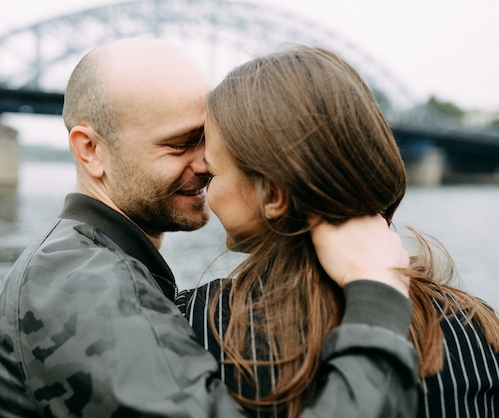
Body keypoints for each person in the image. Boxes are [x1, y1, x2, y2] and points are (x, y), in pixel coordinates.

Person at [0, 37, 419, 417]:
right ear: (90, 150)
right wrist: (377, 295)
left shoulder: (91, 259)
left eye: (210, 139)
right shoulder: (81, 286)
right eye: (180, 144)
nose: (208, 163)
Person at [176, 44, 499, 418]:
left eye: (212, 173)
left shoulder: (193, 327)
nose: (203, 185)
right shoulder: (471, 325)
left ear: (274, 196)